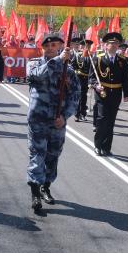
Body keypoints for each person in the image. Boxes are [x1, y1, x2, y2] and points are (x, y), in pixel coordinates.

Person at [25, 33, 80, 211]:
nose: (50, 48)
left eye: (54, 45)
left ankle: (45, 187)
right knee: (37, 154)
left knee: (53, 155)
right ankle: (35, 192)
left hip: (57, 121)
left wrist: (64, 116)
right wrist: (57, 61)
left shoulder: (68, 71)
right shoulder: (34, 63)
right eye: (47, 46)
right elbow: (36, 77)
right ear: (42, 48)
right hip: (38, 119)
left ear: (60, 47)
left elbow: (75, 96)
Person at [90, 32, 128, 156]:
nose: (113, 46)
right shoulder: (98, 58)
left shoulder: (123, 60)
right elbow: (91, 78)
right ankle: (98, 145)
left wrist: (127, 93)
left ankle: (106, 147)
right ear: (106, 45)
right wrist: (96, 86)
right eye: (111, 44)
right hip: (102, 93)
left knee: (111, 120)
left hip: (116, 93)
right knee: (102, 119)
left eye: (116, 44)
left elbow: (126, 78)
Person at [70, 38, 91, 122]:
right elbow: (72, 66)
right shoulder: (77, 55)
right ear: (82, 46)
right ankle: (77, 114)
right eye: (86, 46)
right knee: (78, 97)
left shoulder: (92, 56)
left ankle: (83, 114)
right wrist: (77, 71)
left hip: (87, 79)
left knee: (84, 97)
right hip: (78, 78)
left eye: (89, 46)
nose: (87, 48)